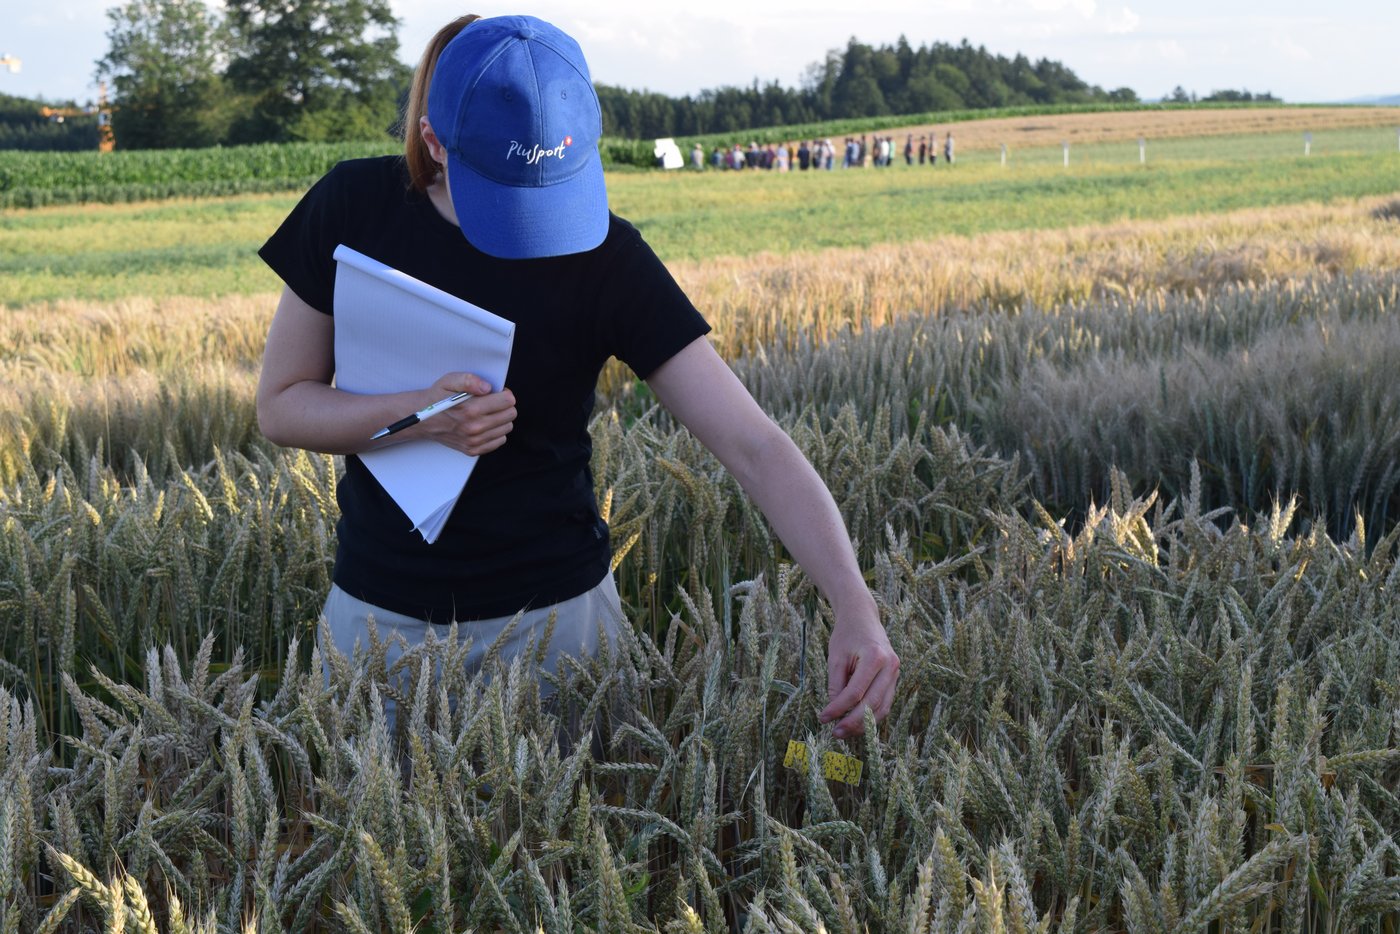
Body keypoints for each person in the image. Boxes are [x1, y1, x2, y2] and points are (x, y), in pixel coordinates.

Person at [254, 13, 899, 742]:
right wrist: (419, 416)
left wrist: (854, 603)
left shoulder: (608, 255)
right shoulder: (353, 208)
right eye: (504, 193)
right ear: (434, 141)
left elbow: (752, 444)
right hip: (381, 622)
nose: (531, 230)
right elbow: (281, 408)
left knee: (574, 852)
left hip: (563, 630)